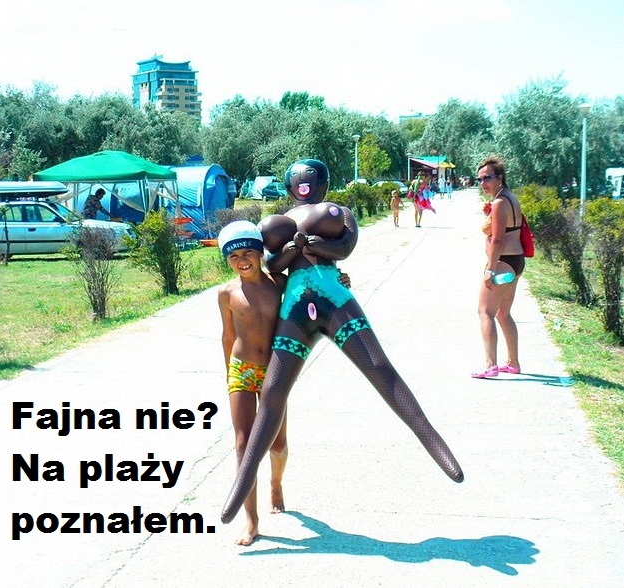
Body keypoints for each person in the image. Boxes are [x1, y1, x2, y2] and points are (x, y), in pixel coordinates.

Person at [220, 159, 464, 526]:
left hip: (333, 296)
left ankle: (432, 440)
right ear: (289, 185)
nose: (303, 183)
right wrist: (296, 248)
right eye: (297, 179)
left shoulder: (340, 212)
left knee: (378, 366)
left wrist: (314, 246)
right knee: (273, 392)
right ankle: (243, 488)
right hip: (296, 305)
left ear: (321, 182)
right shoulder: (280, 221)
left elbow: (345, 246)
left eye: (309, 178)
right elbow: (274, 264)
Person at [217, 220, 351, 545]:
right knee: (243, 444)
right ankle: (251, 521)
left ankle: (276, 483)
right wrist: (228, 373)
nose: (242, 260)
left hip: (275, 372)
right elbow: (228, 335)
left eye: (248, 253)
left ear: (260, 253)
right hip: (241, 369)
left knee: (276, 444)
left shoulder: (280, 284)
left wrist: (340, 282)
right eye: (234, 257)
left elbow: (315, 295)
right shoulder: (227, 293)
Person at [472, 156, 525, 379]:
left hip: (502, 264)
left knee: (485, 312)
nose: (483, 183)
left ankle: (490, 365)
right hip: (516, 262)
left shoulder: (500, 203)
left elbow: (498, 240)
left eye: (487, 178)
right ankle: (513, 363)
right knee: (504, 313)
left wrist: (490, 270)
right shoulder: (510, 197)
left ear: (500, 177)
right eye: (480, 179)